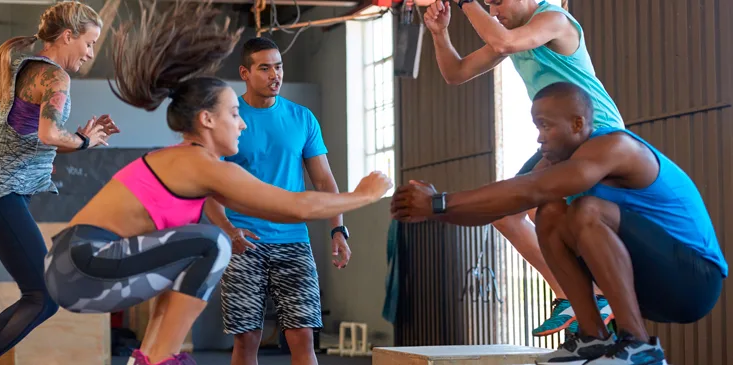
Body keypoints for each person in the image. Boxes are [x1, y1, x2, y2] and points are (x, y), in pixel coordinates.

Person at [41, 2, 393, 365]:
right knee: (212, 242)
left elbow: (284, 207)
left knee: (196, 249)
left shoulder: (195, 161)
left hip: (77, 267)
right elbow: (298, 206)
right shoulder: (200, 164)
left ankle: (148, 356)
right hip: (82, 265)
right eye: (235, 114)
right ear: (207, 119)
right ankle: (163, 357)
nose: (242, 124)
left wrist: (339, 227)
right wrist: (364, 195)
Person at [390, 82, 726, 365]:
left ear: (578, 124)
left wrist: (440, 201)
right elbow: (500, 210)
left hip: (694, 280)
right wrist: (437, 211)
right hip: (648, 285)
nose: (539, 138)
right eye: (537, 127)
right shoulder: (555, 162)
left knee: (586, 210)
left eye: (546, 126)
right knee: (549, 212)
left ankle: (638, 348)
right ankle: (593, 336)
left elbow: (534, 186)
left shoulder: (615, 147)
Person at [423, 0, 621, 335]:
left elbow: (504, 42)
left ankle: (598, 296)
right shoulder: (512, 34)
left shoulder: (555, 21)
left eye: (497, 1)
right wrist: (440, 34)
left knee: (547, 214)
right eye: (488, 3)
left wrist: (466, 2)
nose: (493, 9)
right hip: (561, 142)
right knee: (508, 215)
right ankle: (572, 295)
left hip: (596, 133)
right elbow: (456, 73)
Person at [0, 2, 119, 364]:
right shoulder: (55, 76)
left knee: (36, 295)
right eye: (89, 42)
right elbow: (50, 133)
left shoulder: (30, 67)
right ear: (68, 36)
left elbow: (37, 138)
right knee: (43, 296)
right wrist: (82, 141)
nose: (90, 53)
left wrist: (81, 139)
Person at [205, 37, 350, 365]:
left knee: (302, 338)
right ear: (245, 72)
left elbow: (324, 180)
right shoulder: (227, 120)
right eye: (265, 67)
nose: (275, 74)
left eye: (279, 66)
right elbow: (209, 190)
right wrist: (229, 231)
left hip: (293, 240)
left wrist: (338, 229)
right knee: (247, 341)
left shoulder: (302, 118)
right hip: (244, 242)